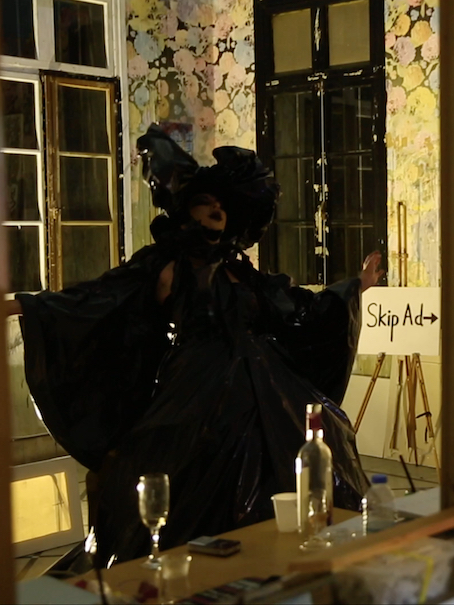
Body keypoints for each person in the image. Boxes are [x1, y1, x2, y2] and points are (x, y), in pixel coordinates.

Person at [7, 124, 383, 566]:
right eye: (205, 202)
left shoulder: (241, 272)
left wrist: (356, 285)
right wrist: (23, 305)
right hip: (196, 388)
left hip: (272, 388)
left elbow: (299, 308)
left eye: (222, 204)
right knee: (183, 475)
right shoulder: (165, 267)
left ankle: (293, 563)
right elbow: (99, 298)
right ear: (187, 209)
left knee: (316, 449)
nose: (215, 209)